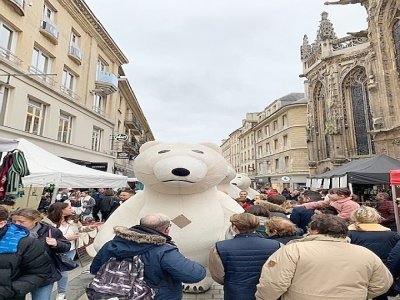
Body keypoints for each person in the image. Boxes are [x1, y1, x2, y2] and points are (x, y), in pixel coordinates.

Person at [256, 214, 393, 300]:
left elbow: (274, 282)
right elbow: (382, 283)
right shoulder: (365, 253)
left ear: (314, 230)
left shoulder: (293, 250)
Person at [90, 213, 206, 299]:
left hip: (116, 295)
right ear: (166, 229)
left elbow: (95, 269)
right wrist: (202, 267)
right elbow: (193, 275)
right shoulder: (164, 251)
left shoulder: (111, 245)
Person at [209, 213, 281, 300]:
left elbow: (218, 275)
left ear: (234, 227)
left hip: (235, 292)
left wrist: (230, 281)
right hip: (265, 291)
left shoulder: (219, 247)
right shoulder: (276, 245)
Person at [10, 208, 71, 300]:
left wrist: (56, 243)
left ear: (35, 220)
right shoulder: (9, 231)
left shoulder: (50, 231)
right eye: (14, 221)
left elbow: (66, 246)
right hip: (17, 276)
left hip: (43, 277)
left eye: (21, 221)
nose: (17, 224)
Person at [45, 202, 99, 300]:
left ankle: (61, 293)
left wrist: (92, 227)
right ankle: (52, 294)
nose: (71, 209)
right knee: (53, 271)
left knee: (63, 272)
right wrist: (66, 237)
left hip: (71, 250)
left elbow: (80, 229)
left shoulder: (73, 221)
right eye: (69, 208)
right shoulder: (49, 223)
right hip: (54, 251)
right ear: (61, 210)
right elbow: (47, 238)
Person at [0, 206, 52, 300]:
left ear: (2, 223)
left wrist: (9, 291)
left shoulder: (26, 243)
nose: (18, 223)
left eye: (22, 221)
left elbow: (39, 273)